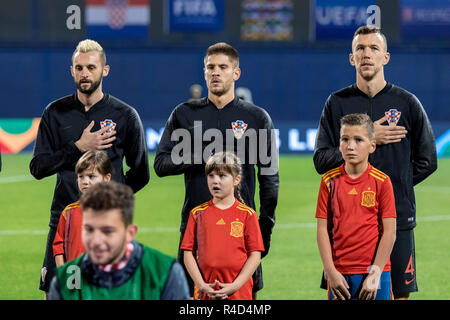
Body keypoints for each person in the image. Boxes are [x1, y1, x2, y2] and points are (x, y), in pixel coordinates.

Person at [313, 26, 437, 300]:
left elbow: (427, 161)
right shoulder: (337, 103)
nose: (366, 54)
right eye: (360, 49)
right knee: (346, 294)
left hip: (397, 219)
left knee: (399, 295)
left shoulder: (407, 103)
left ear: (386, 57)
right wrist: (370, 138)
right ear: (351, 58)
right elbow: (321, 160)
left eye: (373, 49)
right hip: (347, 225)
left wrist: (390, 192)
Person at [154, 42, 279, 298]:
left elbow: (270, 179)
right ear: (204, 71)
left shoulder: (257, 118)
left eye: (223, 67)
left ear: (236, 73)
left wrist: (264, 228)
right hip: (196, 228)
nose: (215, 72)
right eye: (210, 67)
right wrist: (200, 154)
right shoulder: (184, 114)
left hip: (241, 230)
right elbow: (160, 164)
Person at [30, 39, 150, 297]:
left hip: (107, 226)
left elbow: (141, 173)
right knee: (58, 293)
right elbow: (38, 167)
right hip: (64, 221)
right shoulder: (55, 113)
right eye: (80, 68)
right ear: (71, 70)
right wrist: (78, 147)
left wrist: (110, 201)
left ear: (104, 70)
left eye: (91, 68)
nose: (85, 73)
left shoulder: (125, 115)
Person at [48, 181, 190, 300]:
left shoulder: (165, 274)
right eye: (89, 230)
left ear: (130, 233)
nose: (96, 241)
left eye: (107, 231)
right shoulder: (63, 283)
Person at [316, 114, 397, 300]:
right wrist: (330, 271)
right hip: (340, 274)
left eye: (358, 140)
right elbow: (322, 230)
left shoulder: (382, 182)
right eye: (345, 139)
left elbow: (389, 232)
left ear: (372, 145)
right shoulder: (328, 181)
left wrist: (375, 273)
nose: (350, 146)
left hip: (375, 272)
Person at [181, 152, 264, 300]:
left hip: (239, 293)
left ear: (236, 180)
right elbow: (188, 253)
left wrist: (235, 285)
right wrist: (201, 285)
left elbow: (255, 255)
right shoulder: (197, 214)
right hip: (205, 292)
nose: (215, 181)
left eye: (222, 176)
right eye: (211, 175)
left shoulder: (247, 215)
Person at [53, 150, 112, 267]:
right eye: (81, 177)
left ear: (106, 179)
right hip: (74, 276)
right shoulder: (69, 212)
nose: (85, 182)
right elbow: (58, 246)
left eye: (91, 176)